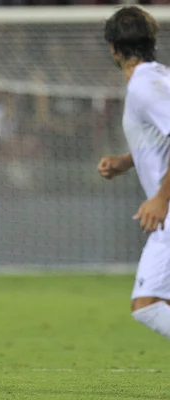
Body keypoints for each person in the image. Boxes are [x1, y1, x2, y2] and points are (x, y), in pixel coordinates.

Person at [98, 6, 170, 339]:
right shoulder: (156, 78)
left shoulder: (145, 84)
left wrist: (160, 198)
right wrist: (127, 161)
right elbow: (159, 137)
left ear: (114, 48)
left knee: (148, 304)